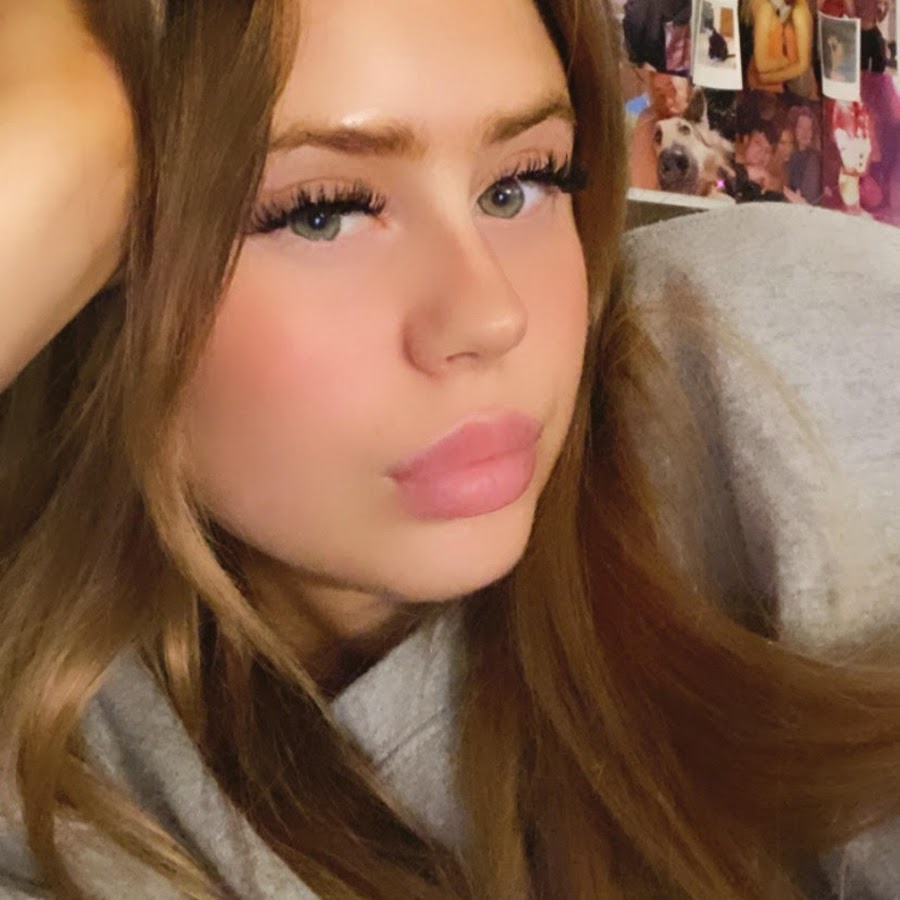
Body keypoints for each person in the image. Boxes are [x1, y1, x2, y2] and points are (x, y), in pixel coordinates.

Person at [1, 2, 899, 899]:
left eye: (520, 185)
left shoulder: (768, 360)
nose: (490, 315)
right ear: (96, 266)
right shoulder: (61, 796)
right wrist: (63, 105)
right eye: (321, 213)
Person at [742, 0, 818, 98]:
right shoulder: (770, 8)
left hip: (798, 83)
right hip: (776, 83)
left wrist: (768, 77)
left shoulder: (798, 11)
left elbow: (803, 64)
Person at [784, 105, 822, 202]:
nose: (805, 133)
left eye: (809, 128)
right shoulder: (787, 153)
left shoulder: (813, 160)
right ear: (794, 129)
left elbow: (808, 199)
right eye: (801, 127)